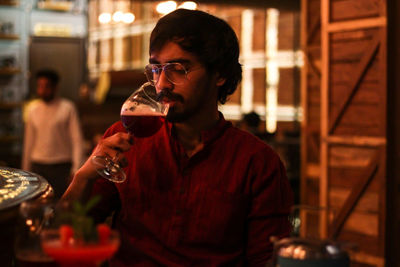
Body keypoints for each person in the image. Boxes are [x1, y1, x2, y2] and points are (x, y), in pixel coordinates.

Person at [63, 9, 293, 266]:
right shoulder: (125, 141)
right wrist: (84, 176)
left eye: (178, 68)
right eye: (156, 69)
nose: (162, 83)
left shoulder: (258, 162)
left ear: (220, 75)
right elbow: (68, 229)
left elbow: (267, 260)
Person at [22, 69, 84, 198]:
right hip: (38, 165)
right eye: (40, 86)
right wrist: (25, 171)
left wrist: (76, 168)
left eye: (47, 86)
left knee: (61, 206)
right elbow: (28, 142)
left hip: (61, 166)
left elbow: (77, 140)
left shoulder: (68, 108)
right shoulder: (33, 110)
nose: (42, 90)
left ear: (56, 87)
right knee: (37, 205)